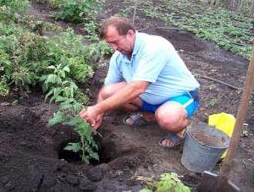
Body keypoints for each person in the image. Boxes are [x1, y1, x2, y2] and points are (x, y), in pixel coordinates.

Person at [79, 17, 200, 148]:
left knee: (167, 118)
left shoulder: (154, 47)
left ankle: (180, 130)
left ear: (130, 34)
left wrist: (96, 109)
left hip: (179, 96)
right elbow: (107, 87)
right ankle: (149, 116)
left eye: (115, 42)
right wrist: (99, 114)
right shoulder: (119, 56)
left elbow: (138, 88)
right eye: (110, 44)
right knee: (107, 92)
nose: (114, 48)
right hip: (149, 96)